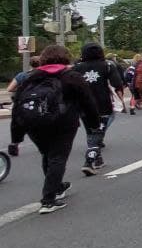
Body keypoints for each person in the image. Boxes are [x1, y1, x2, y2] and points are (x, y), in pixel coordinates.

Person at [8, 44, 102, 214]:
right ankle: (48, 200)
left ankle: (57, 186)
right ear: (65, 57)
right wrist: (94, 124)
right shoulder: (71, 77)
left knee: (47, 155)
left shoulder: (30, 77)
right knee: (58, 158)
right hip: (63, 123)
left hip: (34, 124)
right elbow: (88, 102)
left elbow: (18, 108)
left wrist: (16, 138)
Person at [73, 42, 126, 176]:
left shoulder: (77, 67)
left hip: (83, 104)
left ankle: (98, 159)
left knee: (90, 131)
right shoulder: (108, 65)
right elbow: (117, 85)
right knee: (98, 133)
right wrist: (121, 101)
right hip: (103, 104)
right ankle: (89, 161)